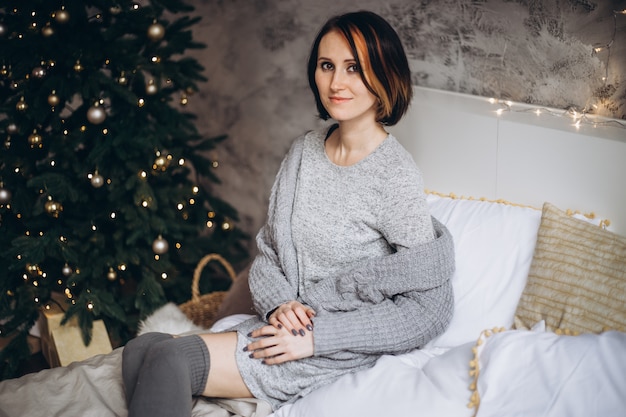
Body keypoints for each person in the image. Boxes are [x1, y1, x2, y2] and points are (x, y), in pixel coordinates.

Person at [122, 10, 455, 416]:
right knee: (141, 348)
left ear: (385, 77)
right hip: (284, 327)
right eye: (327, 65)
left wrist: (319, 337)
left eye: (354, 68)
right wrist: (279, 303)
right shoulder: (303, 153)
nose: (336, 83)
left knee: (170, 359)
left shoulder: (394, 176)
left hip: (334, 347)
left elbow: (429, 310)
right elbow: (269, 253)